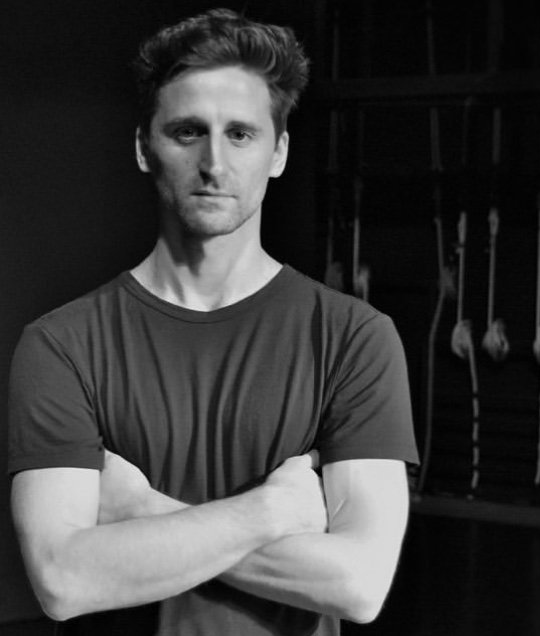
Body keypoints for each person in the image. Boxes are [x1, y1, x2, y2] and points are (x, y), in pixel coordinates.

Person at [8, 8, 418, 635]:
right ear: (144, 148)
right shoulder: (61, 345)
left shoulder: (354, 339)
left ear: (279, 152)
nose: (214, 163)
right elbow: (64, 582)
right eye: (187, 131)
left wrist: (142, 509)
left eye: (241, 134)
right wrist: (269, 513)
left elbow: (358, 585)